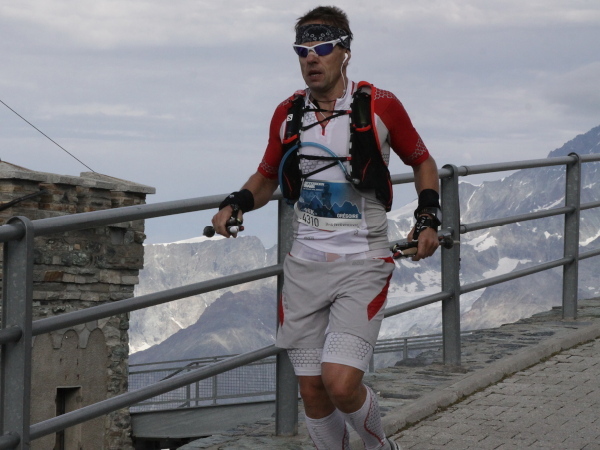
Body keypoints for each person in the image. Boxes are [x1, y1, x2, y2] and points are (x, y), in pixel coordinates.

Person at [211, 6, 440, 450]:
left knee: (340, 383)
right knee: (313, 391)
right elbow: (266, 177)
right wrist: (236, 203)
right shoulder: (287, 112)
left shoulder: (380, 105)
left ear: (345, 52)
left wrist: (427, 217)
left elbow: (422, 161)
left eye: (322, 48)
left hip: (363, 263)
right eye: (302, 51)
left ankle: (379, 446)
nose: (311, 58)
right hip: (305, 266)